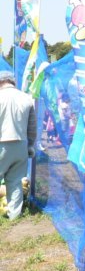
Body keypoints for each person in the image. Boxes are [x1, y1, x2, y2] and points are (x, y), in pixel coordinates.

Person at [0, 72, 37, 220]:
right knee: (15, 182)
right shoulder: (26, 98)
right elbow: (32, 126)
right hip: (21, 144)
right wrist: (30, 145)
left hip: (1, 142)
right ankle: (14, 216)